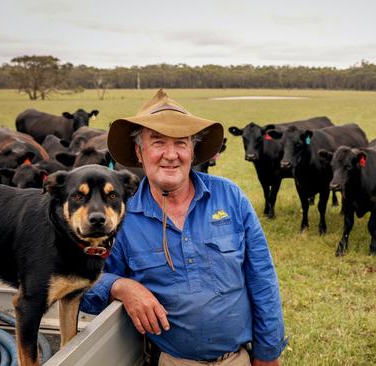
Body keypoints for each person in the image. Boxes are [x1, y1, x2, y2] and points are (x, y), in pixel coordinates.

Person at [80, 89, 287, 366]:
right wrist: (120, 285)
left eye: (181, 143)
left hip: (237, 358)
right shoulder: (121, 216)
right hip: (171, 361)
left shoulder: (230, 197)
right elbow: (84, 282)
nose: (171, 155)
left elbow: (262, 278)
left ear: (193, 151)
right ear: (139, 153)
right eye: (158, 142)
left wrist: (267, 352)